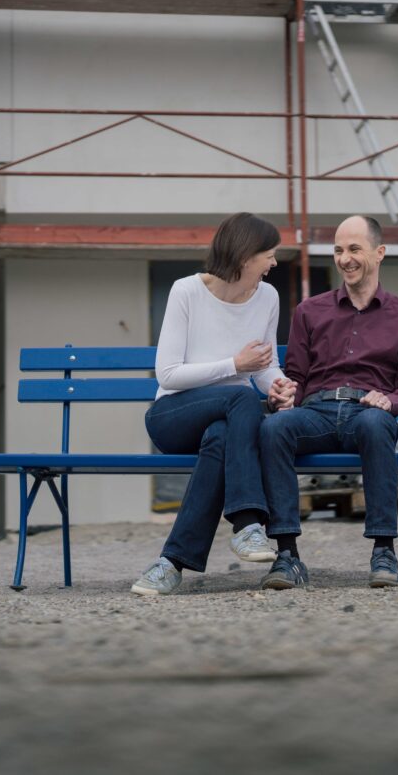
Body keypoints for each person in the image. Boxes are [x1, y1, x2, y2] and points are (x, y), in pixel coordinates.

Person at [258, 214, 398, 590]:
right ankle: (287, 555)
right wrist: (285, 394)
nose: (345, 258)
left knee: (374, 424)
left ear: (379, 253)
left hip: (366, 415)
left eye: (354, 249)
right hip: (315, 413)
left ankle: (384, 550)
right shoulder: (309, 312)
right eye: (338, 250)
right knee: (273, 427)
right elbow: (297, 377)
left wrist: (390, 401)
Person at [131, 213, 298, 596]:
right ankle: (247, 522)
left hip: (227, 420)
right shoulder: (186, 291)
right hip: (173, 416)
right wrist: (234, 366)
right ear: (244, 257)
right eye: (268, 255)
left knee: (223, 434)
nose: (274, 263)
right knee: (241, 397)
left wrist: (278, 387)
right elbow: (168, 375)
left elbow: (264, 365)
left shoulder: (267, 297)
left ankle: (170, 564)